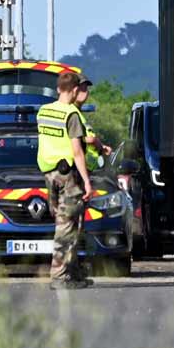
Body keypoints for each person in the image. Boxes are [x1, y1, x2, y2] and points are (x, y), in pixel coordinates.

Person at [36, 71, 96, 290]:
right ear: (72, 91)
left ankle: (74, 273)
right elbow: (77, 152)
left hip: (49, 175)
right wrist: (87, 183)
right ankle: (60, 276)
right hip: (67, 175)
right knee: (66, 227)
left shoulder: (44, 111)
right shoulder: (71, 114)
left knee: (69, 224)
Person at [73, 78, 113, 171]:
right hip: (75, 168)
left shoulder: (77, 112)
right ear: (73, 90)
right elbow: (76, 138)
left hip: (84, 168)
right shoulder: (71, 111)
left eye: (86, 89)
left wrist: (101, 147)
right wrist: (94, 141)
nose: (85, 93)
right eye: (81, 89)